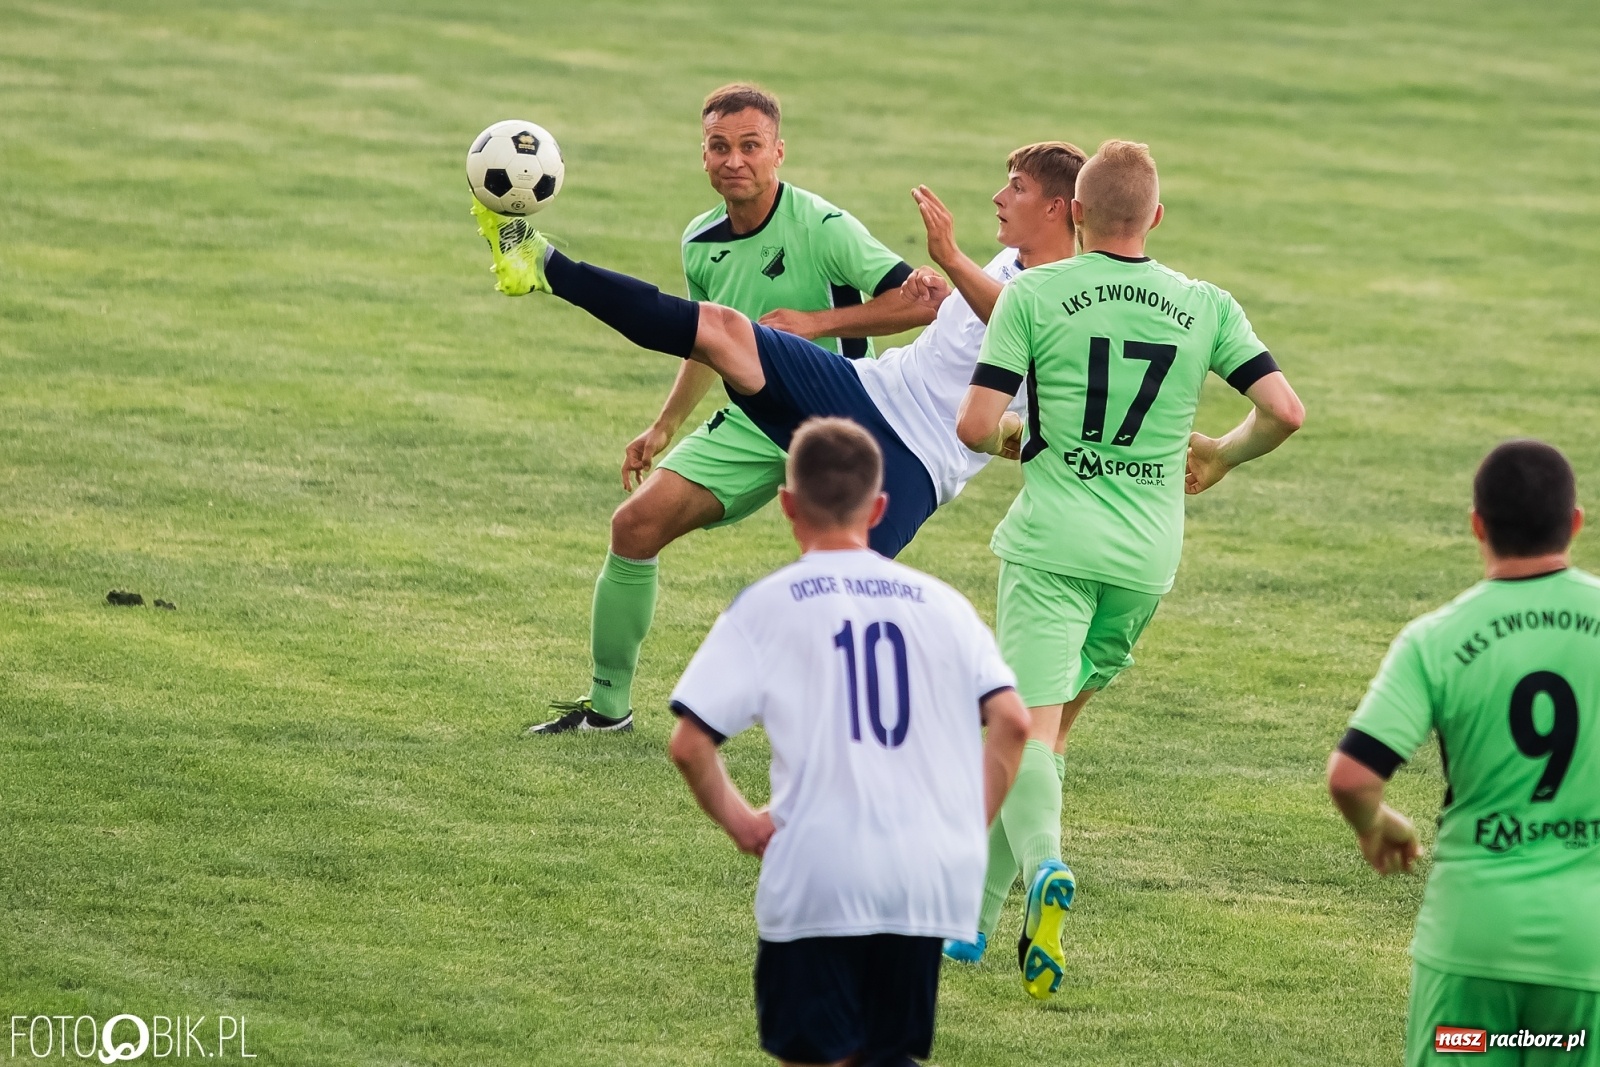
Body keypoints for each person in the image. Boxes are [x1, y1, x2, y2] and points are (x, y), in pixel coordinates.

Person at [954, 139, 1306, 995]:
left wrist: (1013, 440)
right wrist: (1221, 453)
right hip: (1147, 556)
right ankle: (970, 928)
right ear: (1155, 217)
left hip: (1054, 545)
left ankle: (1045, 868)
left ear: (1074, 214)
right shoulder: (1204, 304)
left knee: (1019, 731)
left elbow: (975, 423)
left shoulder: (1035, 292)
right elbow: (1285, 411)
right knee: (1053, 732)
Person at [530, 83, 929, 735]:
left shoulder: (825, 227)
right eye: (719, 146)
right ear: (703, 154)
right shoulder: (700, 241)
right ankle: (606, 710)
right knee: (634, 526)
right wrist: (663, 425)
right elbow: (701, 341)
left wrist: (814, 322)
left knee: (837, 582)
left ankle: (848, 725)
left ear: (779, 153)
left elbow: (920, 302)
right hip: (751, 422)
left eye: (750, 146)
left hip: (837, 429)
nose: (733, 160)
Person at [666, 417, 1031, 1067]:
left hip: (819, 873)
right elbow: (1013, 720)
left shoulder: (767, 606)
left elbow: (691, 742)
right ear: (879, 506)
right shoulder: (943, 604)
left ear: (786, 504)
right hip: (922, 875)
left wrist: (745, 824)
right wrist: (964, 825)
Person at [1328, 440, 1599, 1067]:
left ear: (1477, 525)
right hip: (1586, 950)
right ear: (1575, 523)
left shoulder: (1436, 639)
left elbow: (1352, 776)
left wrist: (1378, 824)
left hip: (1473, 939)